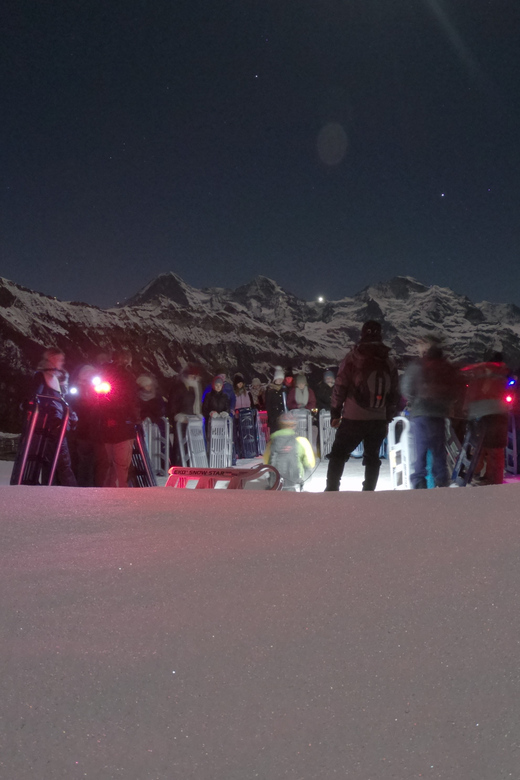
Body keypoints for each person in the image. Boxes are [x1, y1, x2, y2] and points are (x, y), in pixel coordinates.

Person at [325, 321, 399, 491]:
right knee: (372, 457)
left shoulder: (353, 357)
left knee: (338, 454)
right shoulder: (388, 360)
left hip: (354, 417)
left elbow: (340, 386)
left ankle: (332, 491)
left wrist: (335, 413)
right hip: (378, 418)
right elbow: (394, 393)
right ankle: (368, 492)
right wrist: (387, 418)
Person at [401, 337, 462, 489]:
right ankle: (441, 481)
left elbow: (407, 387)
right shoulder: (446, 367)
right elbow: (456, 390)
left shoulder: (418, 365)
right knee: (439, 451)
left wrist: (413, 400)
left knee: (420, 450)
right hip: (439, 414)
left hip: (421, 413)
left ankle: (419, 482)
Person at [92, 348, 140, 487]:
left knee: (108, 463)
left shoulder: (103, 375)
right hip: (123, 425)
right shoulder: (127, 376)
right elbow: (131, 401)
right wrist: (135, 419)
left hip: (105, 426)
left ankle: (107, 490)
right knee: (122, 464)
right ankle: (120, 491)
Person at [29, 348, 77, 486]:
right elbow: (41, 398)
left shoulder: (54, 377)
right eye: (59, 359)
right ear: (52, 359)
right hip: (53, 423)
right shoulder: (44, 376)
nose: (62, 362)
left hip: (54, 422)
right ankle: (72, 492)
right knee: (62, 462)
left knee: (51, 461)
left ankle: (50, 488)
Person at [462, 352, 510, 485]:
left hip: (480, 415)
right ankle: (495, 479)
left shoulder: (480, 373)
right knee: (496, 449)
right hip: (499, 415)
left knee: (480, 447)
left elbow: (471, 393)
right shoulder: (504, 374)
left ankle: (474, 474)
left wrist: (467, 412)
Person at [263, 413, 315, 491]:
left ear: (279, 425)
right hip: (295, 482)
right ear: (294, 426)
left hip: (275, 483)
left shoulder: (272, 441)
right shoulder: (301, 441)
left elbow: (266, 462)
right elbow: (311, 463)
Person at [168, 365, 203, 465]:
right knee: (179, 443)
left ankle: (188, 464)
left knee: (190, 443)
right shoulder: (179, 386)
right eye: (192, 376)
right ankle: (177, 465)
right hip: (181, 419)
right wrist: (175, 415)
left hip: (191, 419)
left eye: (195, 376)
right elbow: (173, 402)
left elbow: (196, 403)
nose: (194, 378)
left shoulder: (195, 387)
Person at [265, 366, 288, 433]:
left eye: (281, 378)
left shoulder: (284, 389)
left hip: (283, 416)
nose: (280, 380)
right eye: (278, 378)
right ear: (275, 379)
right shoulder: (270, 390)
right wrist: (271, 418)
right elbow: (268, 405)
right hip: (274, 417)